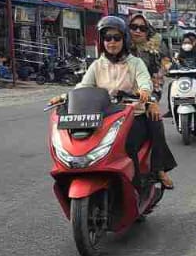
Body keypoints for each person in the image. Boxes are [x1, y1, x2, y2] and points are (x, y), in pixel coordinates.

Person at [64, 15, 176, 189]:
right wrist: (65, 97)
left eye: (117, 38)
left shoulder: (136, 62)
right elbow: (83, 86)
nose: (112, 42)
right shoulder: (97, 65)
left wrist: (146, 92)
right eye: (108, 38)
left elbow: (146, 80)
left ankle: (141, 183)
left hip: (131, 114)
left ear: (124, 39)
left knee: (133, 141)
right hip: (104, 116)